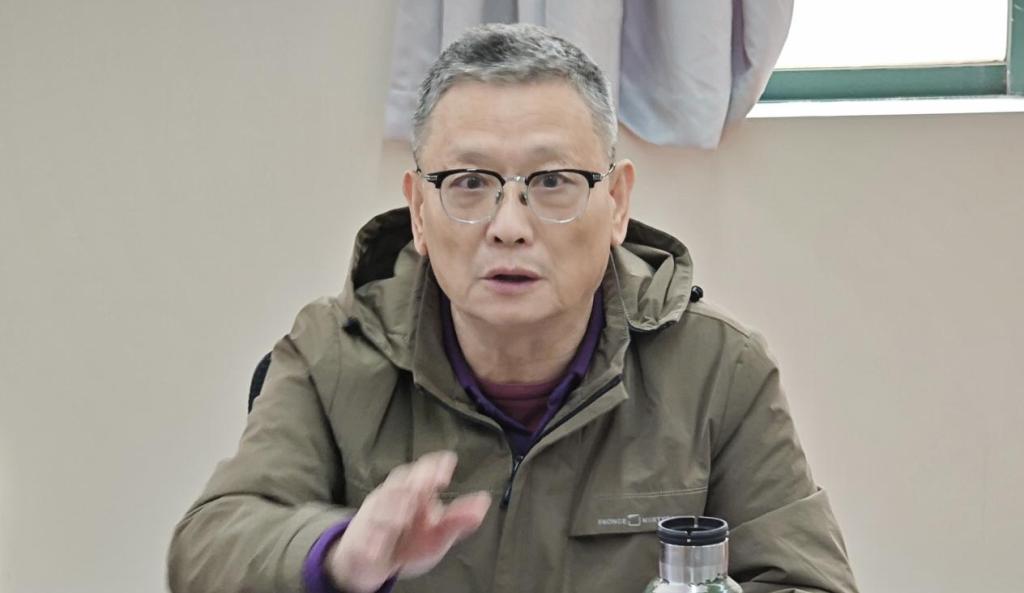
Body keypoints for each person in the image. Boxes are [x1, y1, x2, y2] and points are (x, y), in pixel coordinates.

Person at [167, 23, 858, 593]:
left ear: (617, 203)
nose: (508, 226)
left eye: (552, 181)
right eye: (469, 182)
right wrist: (340, 552)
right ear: (418, 210)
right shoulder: (333, 352)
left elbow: (807, 580)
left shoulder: (718, 371)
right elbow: (207, 550)